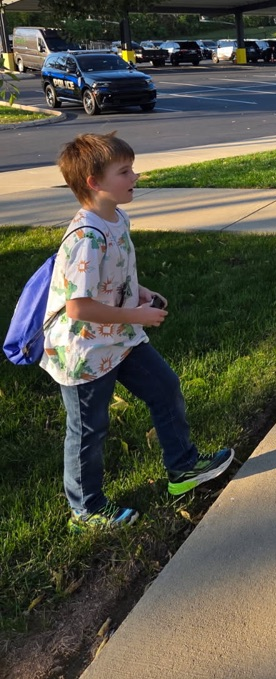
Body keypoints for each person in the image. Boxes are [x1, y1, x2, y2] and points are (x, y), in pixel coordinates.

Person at [43, 132, 234, 532]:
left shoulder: (116, 217)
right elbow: (78, 307)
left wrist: (141, 293)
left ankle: (182, 468)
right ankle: (86, 509)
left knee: (165, 388)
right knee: (89, 431)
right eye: (125, 171)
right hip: (84, 352)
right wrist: (136, 316)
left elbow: (112, 276)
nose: (136, 176)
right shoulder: (86, 238)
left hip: (118, 339)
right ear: (94, 183)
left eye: (132, 168)